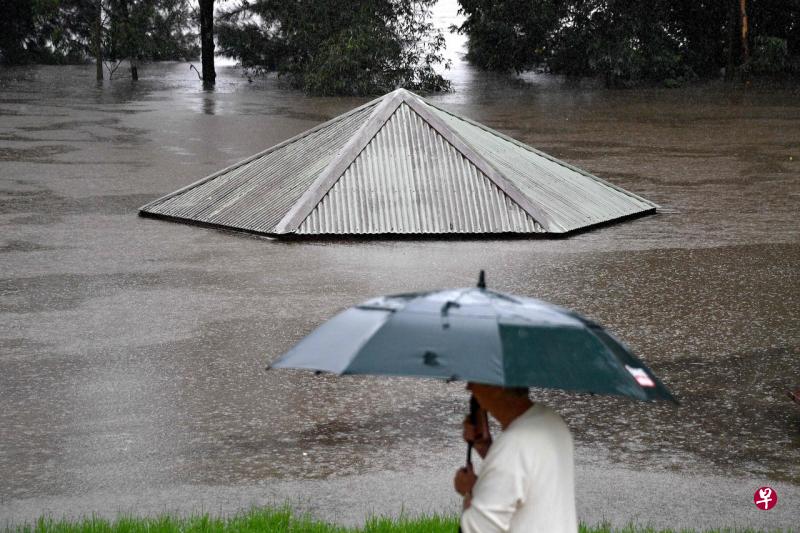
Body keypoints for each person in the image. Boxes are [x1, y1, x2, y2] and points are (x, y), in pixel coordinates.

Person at [453, 382, 577, 533]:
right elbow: (523, 477)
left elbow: (478, 528)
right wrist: (487, 450)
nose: (469, 388)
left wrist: (470, 493)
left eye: (475, 382)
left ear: (498, 388)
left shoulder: (513, 445)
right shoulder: (551, 420)